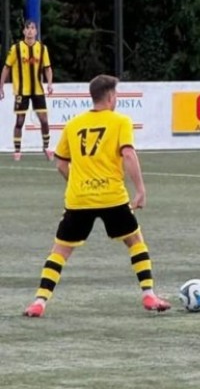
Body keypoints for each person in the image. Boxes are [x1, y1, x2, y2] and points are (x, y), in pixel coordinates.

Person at [23, 75, 171, 317]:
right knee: (135, 241)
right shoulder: (120, 122)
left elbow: (60, 164)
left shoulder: (73, 125)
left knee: (59, 251)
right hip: (112, 197)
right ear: (111, 96)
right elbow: (129, 155)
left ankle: (39, 301)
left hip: (79, 199)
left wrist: (77, 183)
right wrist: (141, 190)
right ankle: (149, 295)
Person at [0, 20, 54, 161]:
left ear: (36, 31)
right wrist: (1, 86)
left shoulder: (42, 49)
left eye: (32, 28)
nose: (30, 31)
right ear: (24, 31)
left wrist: (49, 83)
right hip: (21, 91)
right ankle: (17, 151)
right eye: (27, 28)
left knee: (44, 119)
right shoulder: (16, 48)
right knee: (20, 121)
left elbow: (47, 68)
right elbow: (6, 67)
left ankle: (47, 147)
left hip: (37, 90)